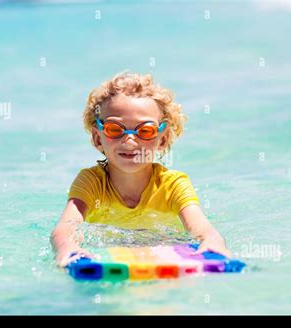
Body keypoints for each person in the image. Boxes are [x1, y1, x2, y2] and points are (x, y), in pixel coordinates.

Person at [51, 72, 232, 267]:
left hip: (165, 242)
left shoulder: (173, 185)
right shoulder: (91, 182)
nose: (129, 140)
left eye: (145, 131)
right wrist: (67, 247)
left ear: (162, 139)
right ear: (97, 138)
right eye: (115, 129)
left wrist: (212, 242)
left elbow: (202, 228)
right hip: (109, 246)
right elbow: (66, 227)